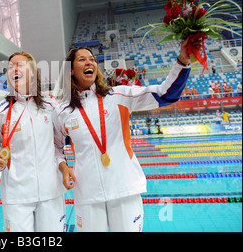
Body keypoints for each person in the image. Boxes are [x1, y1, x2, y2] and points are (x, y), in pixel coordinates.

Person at [52, 40, 195, 232]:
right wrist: (63, 167)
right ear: (70, 70)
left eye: (92, 59)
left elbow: (165, 94)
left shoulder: (119, 95)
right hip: (87, 195)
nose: (89, 63)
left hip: (125, 190)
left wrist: (183, 61)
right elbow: (55, 147)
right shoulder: (63, 112)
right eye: (82, 60)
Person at [0, 52, 65, 232]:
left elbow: (58, 146)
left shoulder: (50, 106)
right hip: (16, 196)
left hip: (51, 193)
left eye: (19, 65)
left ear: (32, 72)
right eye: (9, 67)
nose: (14, 69)